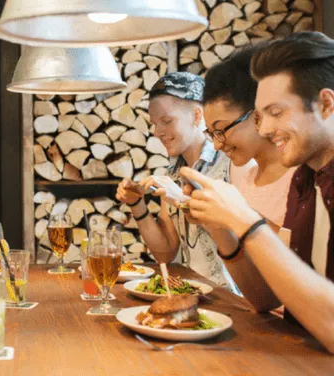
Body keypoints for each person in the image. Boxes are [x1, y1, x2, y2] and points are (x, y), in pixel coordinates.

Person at [181, 31, 334, 353]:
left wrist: (247, 222)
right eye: (261, 116)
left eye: (276, 113)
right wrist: (220, 224)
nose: (264, 130)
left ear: (326, 104)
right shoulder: (305, 181)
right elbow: (269, 300)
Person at [115, 72, 237, 293]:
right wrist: (137, 204)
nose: (157, 132)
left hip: (236, 302)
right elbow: (165, 252)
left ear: (197, 115)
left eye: (166, 121)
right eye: (154, 123)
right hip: (197, 297)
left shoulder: (231, 163)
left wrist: (181, 200)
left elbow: (242, 239)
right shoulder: (173, 174)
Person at [200, 45, 298, 311]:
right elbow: (262, 301)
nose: (218, 145)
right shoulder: (248, 179)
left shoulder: (304, 178)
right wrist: (218, 227)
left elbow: (298, 269)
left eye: (222, 130)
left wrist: (239, 215)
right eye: (211, 134)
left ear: (257, 114)